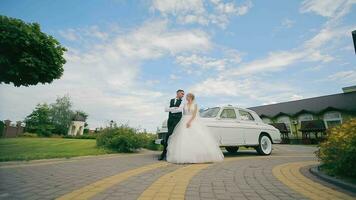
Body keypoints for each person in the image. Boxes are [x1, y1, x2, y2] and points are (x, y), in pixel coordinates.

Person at [166, 93, 224, 163]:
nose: (186, 97)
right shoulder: (184, 104)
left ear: (190, 97)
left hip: (192, 121)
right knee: (183, 138)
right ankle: (184, 156)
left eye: (187, 96)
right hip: (184, 120)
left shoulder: (195, 105)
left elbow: (194, 115)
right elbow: (182, 112)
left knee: (196, 137)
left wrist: (189, 122)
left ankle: (198, 156)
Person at [159, 89, 185, 160]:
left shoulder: (183, 102)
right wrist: (174, 108)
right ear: (178, 93)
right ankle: (167, 153)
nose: (183, 95)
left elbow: (180, 110)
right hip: (170, 120)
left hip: (177, 120)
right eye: (182, 94)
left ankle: (164, 153)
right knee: (170, 135)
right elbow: (166, 109)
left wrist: (171, 109)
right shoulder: (170, 100)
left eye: (183, 94)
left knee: (169, 134)